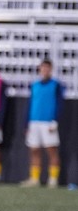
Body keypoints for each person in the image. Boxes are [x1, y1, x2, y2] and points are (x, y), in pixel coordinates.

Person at [21, 59, 64, 188]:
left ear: (51, 69)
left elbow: (60, 104)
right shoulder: (35, 85)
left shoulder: (56, 85)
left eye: (47, 68)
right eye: (42, 68)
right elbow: (30, 104)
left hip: (48, 122)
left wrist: (55, 121)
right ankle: (34, 179)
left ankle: (53, 179)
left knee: (51, 151)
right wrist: (26, 123)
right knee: (34, 150)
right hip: (34, 122)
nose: (44, 70)